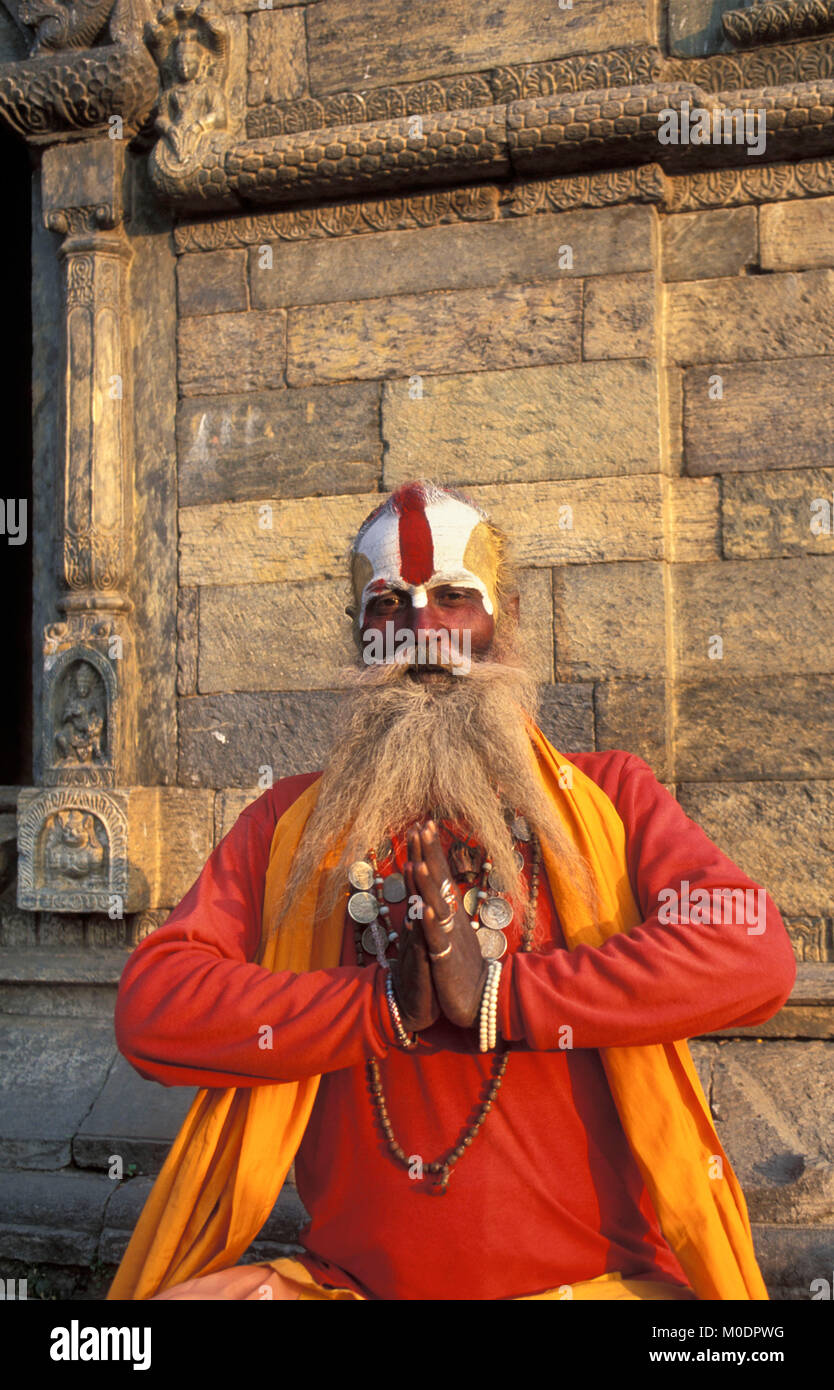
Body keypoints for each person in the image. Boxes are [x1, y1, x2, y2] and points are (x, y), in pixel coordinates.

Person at [108, 480, 796, 1302]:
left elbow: (750, 952)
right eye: (390, 604)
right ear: (359, 635)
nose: (425, 633)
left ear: (503, 618)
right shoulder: (289, 824)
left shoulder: (612, 795)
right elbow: (155, 1008)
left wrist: (503, 996)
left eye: (454, 600)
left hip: (596, 1287)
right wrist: (379, 1007)